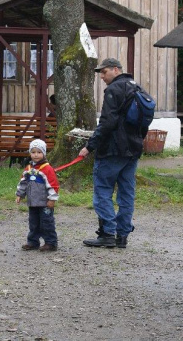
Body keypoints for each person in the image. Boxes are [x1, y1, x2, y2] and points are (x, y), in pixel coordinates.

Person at [79, 58, 148, 249]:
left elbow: (107, 123)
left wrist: (89, 146)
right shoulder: (137, 89)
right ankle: (123, 236)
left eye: (104, 72)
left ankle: (108, 233)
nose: (101, 77)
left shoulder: (114, 90)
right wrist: (137, 141)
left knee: (102, 191)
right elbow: (144, 122)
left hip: (112, 150)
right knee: (126, 194)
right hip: (133, 151)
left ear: (115, 70)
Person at [15, 139, 60, 252]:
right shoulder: (28, 169)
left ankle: (51, 243)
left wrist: (52, 199)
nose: (36, 155)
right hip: (32, 202)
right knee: (33, 223)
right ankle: (33, 242)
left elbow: (53, 185)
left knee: (47, 223)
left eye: (39, 152)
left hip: (45, 203)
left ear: (44, 153)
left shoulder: (47, 169)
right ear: (30, 153)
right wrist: (20, 194)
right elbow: (23, 182)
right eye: (33, 152)